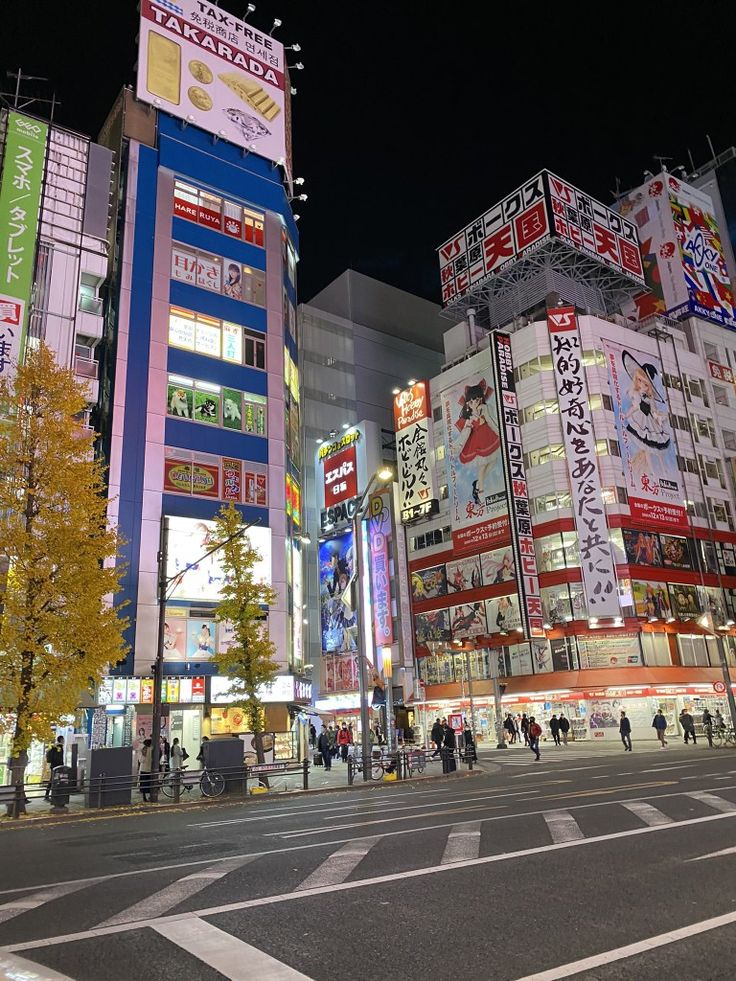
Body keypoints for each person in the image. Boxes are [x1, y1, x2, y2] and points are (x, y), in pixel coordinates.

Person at [44, 736, 65, 801]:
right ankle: (51, 796)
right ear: (61, 740)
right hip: (57, 766)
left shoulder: (55, 746)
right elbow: (58, 757)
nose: (64, 740)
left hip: (54, 766)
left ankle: (48, 795)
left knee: (52, 780)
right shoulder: (59, 747)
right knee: (54, 781)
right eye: (63, 739)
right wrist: (61, 764)